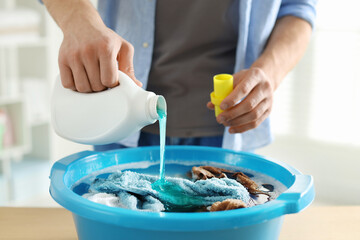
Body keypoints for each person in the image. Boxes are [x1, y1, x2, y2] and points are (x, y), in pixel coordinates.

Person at [43, 0, 317, 152]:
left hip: (228, 127)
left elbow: (298, 8)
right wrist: (79, 21)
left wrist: (270, 72)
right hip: (118, 116)